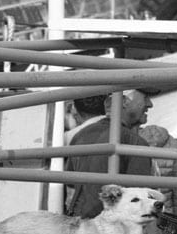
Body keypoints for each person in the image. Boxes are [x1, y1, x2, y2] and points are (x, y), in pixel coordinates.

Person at [65, 90, 154, 219]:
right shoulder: (136, 144)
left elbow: (71, 193)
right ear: (123, 101)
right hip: (111, 231)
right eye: (145, 97)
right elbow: (142, 207)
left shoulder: (80, 136)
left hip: (79, 227)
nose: (150, 104)